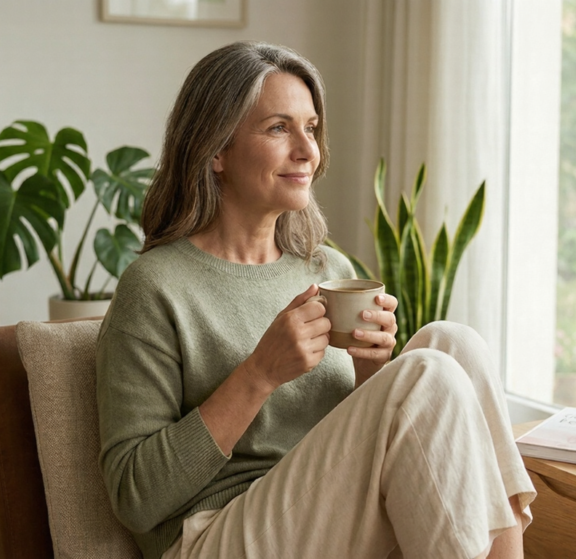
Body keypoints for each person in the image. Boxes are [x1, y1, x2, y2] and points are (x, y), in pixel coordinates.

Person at [96, 41, 536, 559]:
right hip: (214, 534)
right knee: (428, 374)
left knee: (452, 344)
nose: (307, 151)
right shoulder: (155, 287)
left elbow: (344, 450)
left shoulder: (327, 270)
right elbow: (134, 497)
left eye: (311, 128)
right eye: (279, 128)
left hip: (322, 522)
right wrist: (258, 374)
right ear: (215, 150)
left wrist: (373, 372)